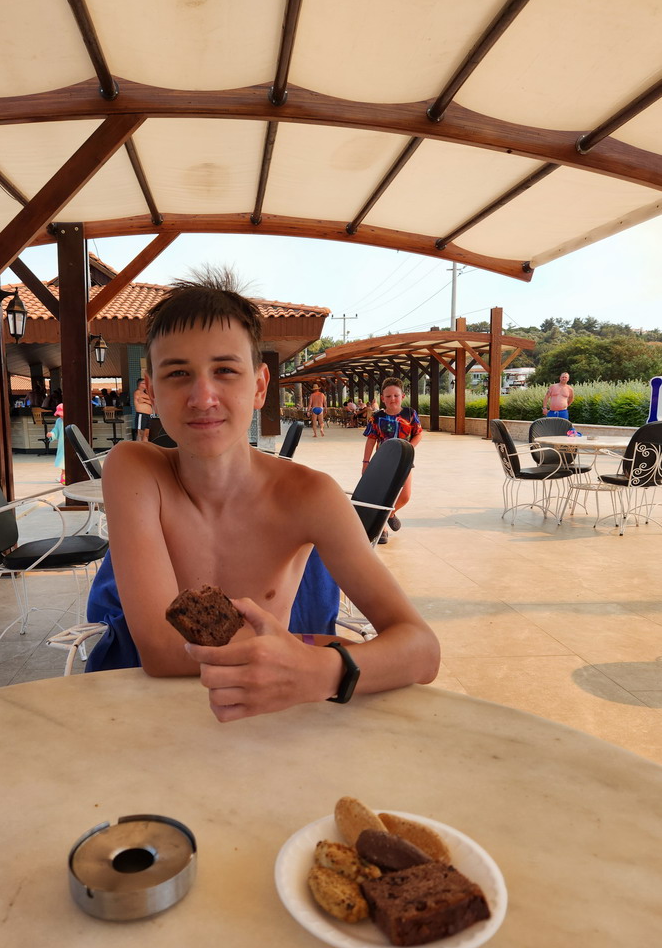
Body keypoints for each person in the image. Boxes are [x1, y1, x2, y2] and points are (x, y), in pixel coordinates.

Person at [93, 269, 439, 722]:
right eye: (178, 373)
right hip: (159, 720)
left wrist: (321, 670)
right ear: (151, 391)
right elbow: (160, 650)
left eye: (225, 370)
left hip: (269, 722)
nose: (203, 396)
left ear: (259, 386)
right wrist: (308, 653)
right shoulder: (135, 470)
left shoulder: (309, 495)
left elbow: (422, 649)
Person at [361, 378, 422, 541]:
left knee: (405, 496)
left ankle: (390, 514)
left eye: (396, 395)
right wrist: (366, 463)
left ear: (403, 396)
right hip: (383, 461)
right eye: (388, 396)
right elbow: (371, 439)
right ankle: (382, 528)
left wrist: (408, 449)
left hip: (404, 460)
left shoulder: (410, 414)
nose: (392, 399)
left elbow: (418, 434)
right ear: (382, 398)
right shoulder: (377, 417)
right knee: (383, 495)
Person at [46, 402, 65, 484]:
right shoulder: (59, 421)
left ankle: (65, 476)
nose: (61, 416)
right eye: (59, 415)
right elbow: (56, 430)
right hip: (62, 444)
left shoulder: (71, 420)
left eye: (62, 414)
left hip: (70, 443)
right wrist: (52, 434)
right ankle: (63, 475)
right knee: (62, 460)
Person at [133, 377, 154, 442]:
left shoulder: (146, 393)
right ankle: (138, 447)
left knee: (146, 434)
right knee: (140, 434)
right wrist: (149, 400)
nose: (146, 384)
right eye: (144, 383)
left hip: (149, 415)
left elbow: (153, 401)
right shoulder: (137, 392)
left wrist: (145, 400)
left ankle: (145, 447)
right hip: (141, 415)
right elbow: (143, 399)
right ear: (139, 384)